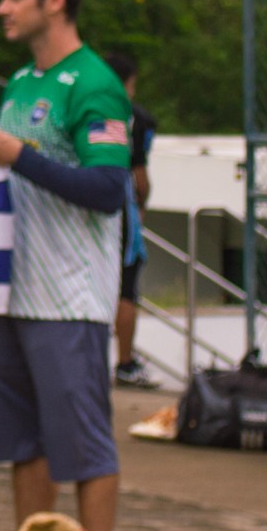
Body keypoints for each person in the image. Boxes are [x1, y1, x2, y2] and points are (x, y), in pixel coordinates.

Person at [0, 0, 132, 531]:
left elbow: (108, 189)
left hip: (69, 297)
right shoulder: (19, 81)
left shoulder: (94, 82)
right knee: (23, 441)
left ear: (55, 0)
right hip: (9, 290)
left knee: (84, 443)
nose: (2, 8)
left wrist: (21, 156)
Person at [105, 51, 160, 390]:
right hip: (119, 207)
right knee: (126, 286)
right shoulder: (134, 118)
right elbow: (140, 178)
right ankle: (125, 364)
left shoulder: (80, 107)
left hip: (85, 206)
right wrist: (142, 205)